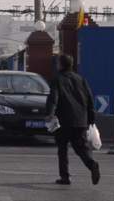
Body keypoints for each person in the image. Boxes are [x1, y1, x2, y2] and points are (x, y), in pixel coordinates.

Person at [45, 54, 101, 186]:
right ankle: (92, 164)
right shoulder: (80, 79)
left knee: (62, 149)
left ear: (60, 65)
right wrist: (91, 118)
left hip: (63, 120)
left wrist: (50, 113)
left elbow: (54, 98)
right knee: (81, 147)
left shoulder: (57, 79)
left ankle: (65, 177)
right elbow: (89, 98)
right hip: (81, 119)